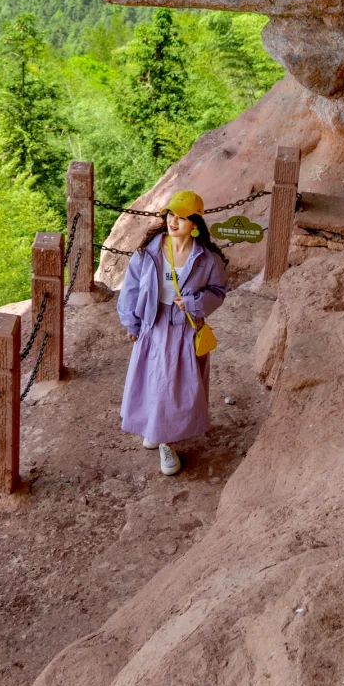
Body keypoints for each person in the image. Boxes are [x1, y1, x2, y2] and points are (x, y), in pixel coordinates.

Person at [117, 189, 228, 476]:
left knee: (172, 386)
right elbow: (131, 287)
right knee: (151, 380)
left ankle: (166, 440)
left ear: (195, 223)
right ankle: (156, 430)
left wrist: (193, 303)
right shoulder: (149, 250)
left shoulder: (207, 259)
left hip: (183, 328)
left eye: (182, 217)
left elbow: (218, 291)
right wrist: (132, 322)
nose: (173, 221)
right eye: (170, 215)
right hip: (153, 323)